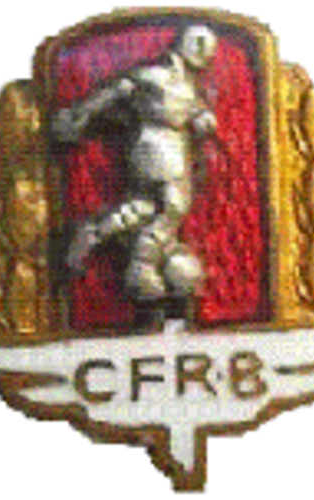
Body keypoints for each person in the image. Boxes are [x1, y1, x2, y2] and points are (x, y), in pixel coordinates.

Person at [52, 25, 218, 330]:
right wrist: (80, 116)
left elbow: (190, 110)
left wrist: (202, 118)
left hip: (164, 149)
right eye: (204, 47)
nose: (208, 56)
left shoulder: (181, 84)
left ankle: (95, 233)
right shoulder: (153, 76)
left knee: (145, 206)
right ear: (192, 46)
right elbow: (115, 92)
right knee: (173, 206)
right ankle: (142, 267)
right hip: (159, 149)